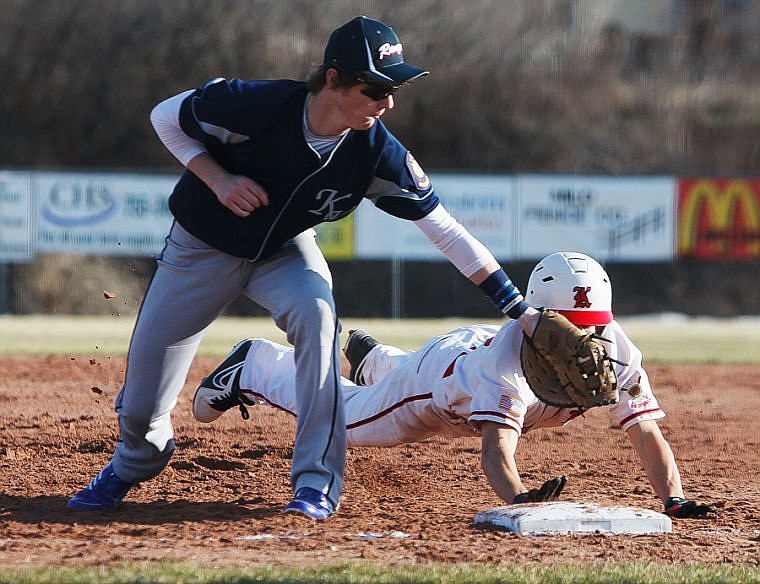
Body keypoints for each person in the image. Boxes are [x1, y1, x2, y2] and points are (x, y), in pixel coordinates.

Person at [66, 16, 540, 519]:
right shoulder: (257, 104)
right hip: (200, 249)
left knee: (318, 320)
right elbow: (166, 115)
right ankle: (136, 460)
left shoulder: (376, 152)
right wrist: (219, 178)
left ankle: (316, 483)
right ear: (333, 80)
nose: (387, 102)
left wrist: (520, 310)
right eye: (374, 87)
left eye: (393, 87)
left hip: (285, 253)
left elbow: (445, 229)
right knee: (141, 406)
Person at [193, 252, 716, 519]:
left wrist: (674, 500)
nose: (587, 336)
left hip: (459, 354)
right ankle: (257, 364)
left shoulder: (617, 350)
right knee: (350, 423)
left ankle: (373, 359)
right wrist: (519, 500)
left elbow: (646, 432)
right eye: (572, 325)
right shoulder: (505, 366)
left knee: (390, 377)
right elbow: (495, 453)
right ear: (538, 316)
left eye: (595, 324)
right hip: (437, 391)